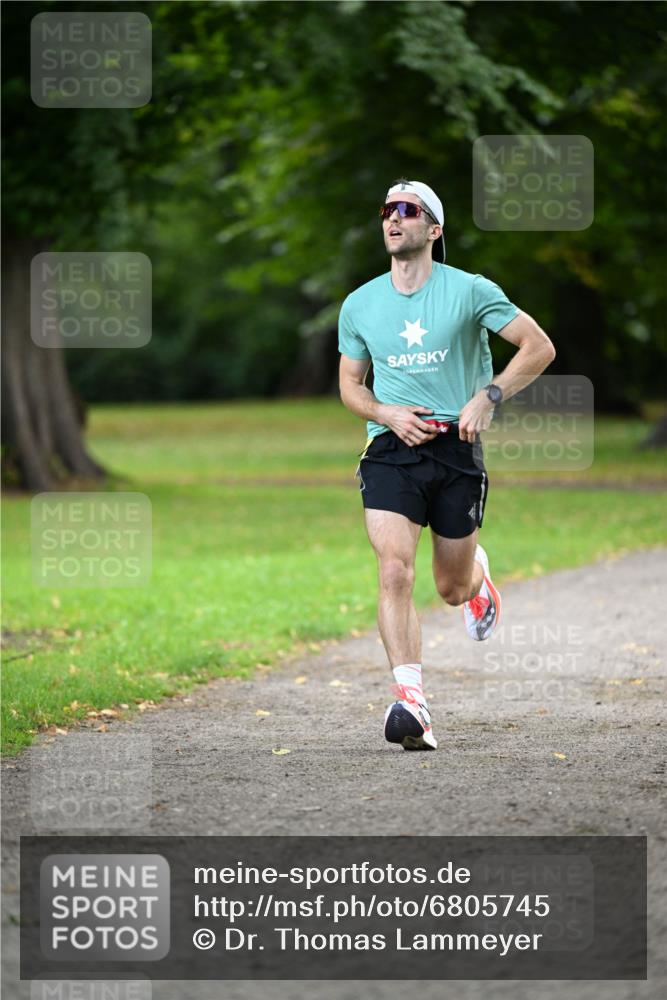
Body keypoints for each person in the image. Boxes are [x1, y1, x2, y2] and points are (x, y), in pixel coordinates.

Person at [338, 179, 556, 751]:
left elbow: (538, 346)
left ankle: (478, 577)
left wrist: (489, 396)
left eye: (408, 210)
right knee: (394, 570)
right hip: (391, 451)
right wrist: (385, 412)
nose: (393, 219)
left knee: (451, 589)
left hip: (457, 450)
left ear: (434, 229)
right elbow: (350, 385)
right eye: (387, 210)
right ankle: (412, 703)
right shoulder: (360, 304)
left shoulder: (470, 290)